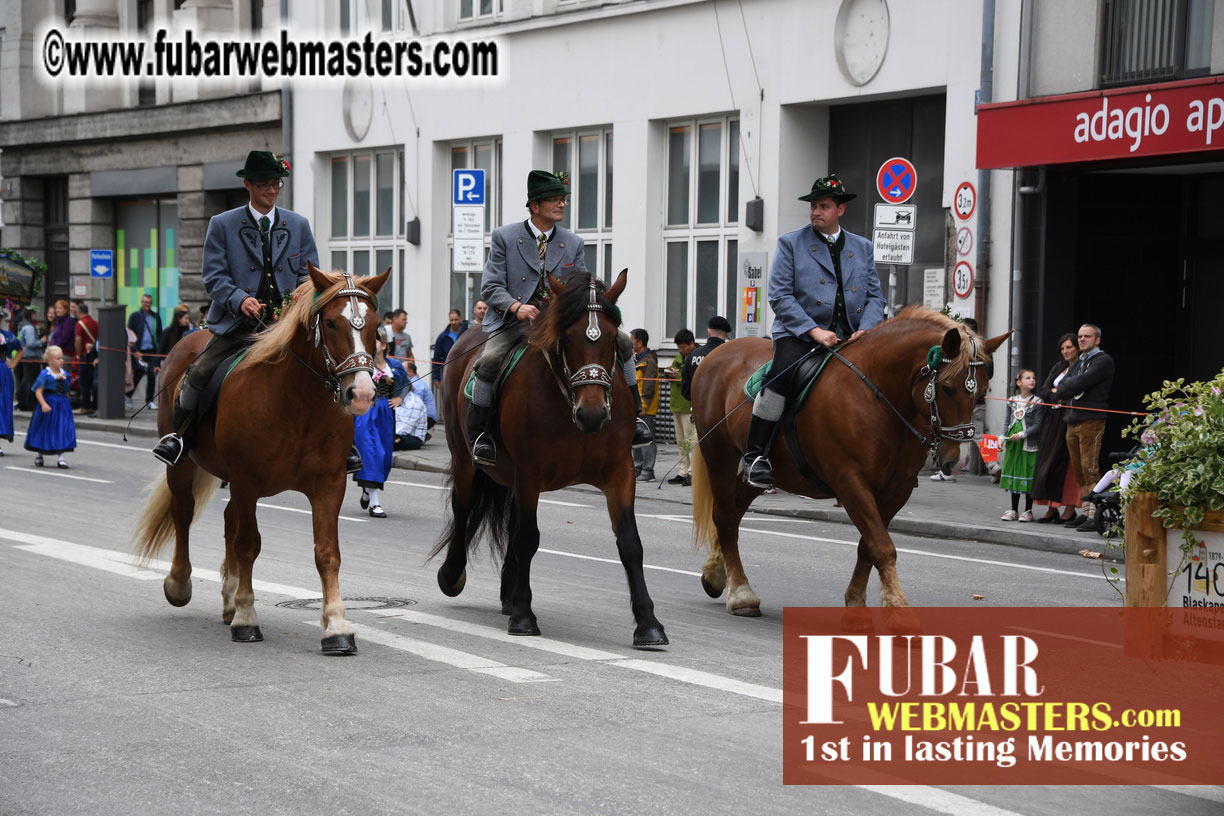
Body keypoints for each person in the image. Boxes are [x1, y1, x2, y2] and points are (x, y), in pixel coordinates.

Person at [152, 150, 323, 467]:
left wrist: (299, 299)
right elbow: (213, 276)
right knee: (200, 371)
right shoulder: (222, 224)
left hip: (285, 324)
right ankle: (180, 437)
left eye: (275, 185)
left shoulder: (298, 224)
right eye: (263, 186)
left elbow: (308, 274)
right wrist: (238, 299)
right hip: (237, 324)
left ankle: (338, 444)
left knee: (327, 367)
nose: (270, 192)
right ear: (248, 185)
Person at [469, 169, 650, 466]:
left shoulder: (573, 242)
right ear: (535, 206)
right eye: (553, 199)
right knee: (489, 360)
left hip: (560, 321)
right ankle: (481, 435)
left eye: (563, 199)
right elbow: (490, 287)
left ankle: (637, 419)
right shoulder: (505, 236)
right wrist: (516, 307)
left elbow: (578, 283)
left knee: (622, 342)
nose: (562, 204)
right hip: (515, 321)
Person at [743, 174, 885, 488]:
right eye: (813, 206)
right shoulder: (790, 243)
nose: (815, 212)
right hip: (798, 334)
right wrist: (814, 331)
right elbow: (779, 295)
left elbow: (875, 296)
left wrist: (867, 330)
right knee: (781, 374)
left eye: (823, 206)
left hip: (852, 335)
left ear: (840, 210)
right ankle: (755, 455)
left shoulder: (862, 248)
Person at [1051, 323, 1115, 530]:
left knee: (1090, 467)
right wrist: (1067, 386)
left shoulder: (1103, 361)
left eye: (1086, 336)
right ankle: (1086, 510)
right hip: (1072, 420)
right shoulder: (1079, 361)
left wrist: (1067, 386)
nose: (1081, 340)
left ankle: (1094, 514)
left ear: (1097, 340)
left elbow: (1077, 384)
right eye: (1080, 336)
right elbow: (1062, 386)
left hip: (1091, 420)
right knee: (1079, 470)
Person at [353, 333, 408, 518]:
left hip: (385, 413)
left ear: (384, 345)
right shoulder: (363, 365)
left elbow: (406, 385)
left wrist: (400, 397)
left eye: (375, 339)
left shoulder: (395, 366)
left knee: (384, 457)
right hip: (366, 411)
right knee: (370, 454)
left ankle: (367, 490)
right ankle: (375, 503)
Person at [1031, 333, 1082, 524]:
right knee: (1048, 462)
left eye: (1069, 347)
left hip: (1068, 420)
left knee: (1067, 464)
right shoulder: (1058, 367)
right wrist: (1056, 396)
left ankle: (1069, 508)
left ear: (1077, 347)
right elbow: (1044, 391)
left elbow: (1071, 392)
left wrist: (1058, 393)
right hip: (1051, 420)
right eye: (1063, 348)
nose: (1066, 351)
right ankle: (1051, 507)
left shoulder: (1081, 368)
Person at [999, 369, 1042, 521]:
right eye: (1028, 378)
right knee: (1015, 474)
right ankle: (1013, 509)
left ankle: (1028, 511)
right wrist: (1002, 438)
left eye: (1033, 378)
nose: (1032, 380)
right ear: (1019, 382)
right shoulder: (1012, 401)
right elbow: (1007, 422)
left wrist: (1023, 434)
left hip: (1027, 444)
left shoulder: (1037, 402)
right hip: (1013, 444)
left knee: (1026, 474)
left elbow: (1037, 424)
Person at [25, 345, 76, 468]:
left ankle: (61, 457)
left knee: (62, 429)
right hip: (48, 403)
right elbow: (38, 391)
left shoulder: (66, 375)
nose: (61, 361)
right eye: (58, 358)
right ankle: (39, 454)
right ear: (49, 360)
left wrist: (67, 405)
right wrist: (43, 404)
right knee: (44, 428)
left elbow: (67, 391)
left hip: (62, 405)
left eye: (62, 358)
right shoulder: (45, 375)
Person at [665, 329, 698, 487]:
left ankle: (692, 472)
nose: (681, 350)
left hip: (688, 405)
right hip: (676, 405)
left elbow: (691, 379)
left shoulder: (696, 358)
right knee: (680, 441)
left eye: (683, 347)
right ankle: (682, 471)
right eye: (678, 347)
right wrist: (668, 374)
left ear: (692, 344)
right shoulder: (679, 358)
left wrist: (676, 376)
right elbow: (675, 374)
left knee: (690, 441)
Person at [680, 315, 731, 403]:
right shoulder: (730, 355)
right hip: (722, 410)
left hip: (698, 410)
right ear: (726, 334)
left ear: (709, 332)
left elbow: (685, 389)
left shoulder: (693, 355)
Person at [631, 329, 660, 482]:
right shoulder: (636, 359)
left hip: (645, 408)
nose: (630, 343)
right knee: (636, 437)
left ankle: (648, 470)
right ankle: (638, 467)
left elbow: (648, 385)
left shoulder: (649, 360)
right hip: (637, 406)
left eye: (632, 340)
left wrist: (643, 405)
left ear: (640, 342)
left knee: (647, 439)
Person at [126, 293, 162, 410]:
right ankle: (128, 395)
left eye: (149, 303)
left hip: (152, 350)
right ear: (141, 303)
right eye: (145, 302)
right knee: (139, 372)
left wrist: (158, 355)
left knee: (152, 374)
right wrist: (134, 350)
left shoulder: (155, 316)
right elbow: (130, 334)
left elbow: (159, 335)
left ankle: (150, 400)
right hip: (139, 351)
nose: (147, 305)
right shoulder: (135, 316)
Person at [0, 309, 24, 454]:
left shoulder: (7, 336)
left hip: (3, 372)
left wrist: (13, 364)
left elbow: (20, 349)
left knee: (2, 404)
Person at [73, 303, 99, 415]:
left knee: (84, 384)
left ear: (79, 312)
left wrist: (79, 355)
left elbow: (78, 340)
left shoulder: (80, 324)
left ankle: (84, 406)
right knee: (93, 383)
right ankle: (94, 405)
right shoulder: (96, 323)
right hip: (94, 357)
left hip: (84, 357)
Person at [431, 308, 467, 387]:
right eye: (451, 320)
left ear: (460, 319)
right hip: (448, 373)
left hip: (464, 371)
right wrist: (436, 378)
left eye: (456, 320)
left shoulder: (466, 334)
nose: (453, 322)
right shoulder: (442, 337)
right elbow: (436, 358)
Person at [16, 308, 42, 411]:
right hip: (31, 356)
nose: (35, 315)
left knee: (25, 380)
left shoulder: (21, 325)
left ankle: (23, 402)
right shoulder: (29, 328)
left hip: (24, 356)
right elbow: (31, 343)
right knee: (29, 381)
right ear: (30, 314)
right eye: (34, 313)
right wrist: (41, 342)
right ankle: (29, 404)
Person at [393, 380, 429, 451]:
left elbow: (406, 429)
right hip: (397, 434)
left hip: (413, 438)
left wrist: (388, 437)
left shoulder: (414, 403)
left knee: (391, 442)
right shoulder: (396, 400)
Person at [405, 360, 437, 425]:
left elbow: (416, 405)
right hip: (425, 416)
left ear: (410, 372)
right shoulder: (416, 382)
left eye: (402, 370)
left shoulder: (416, 384)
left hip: (427, 417)